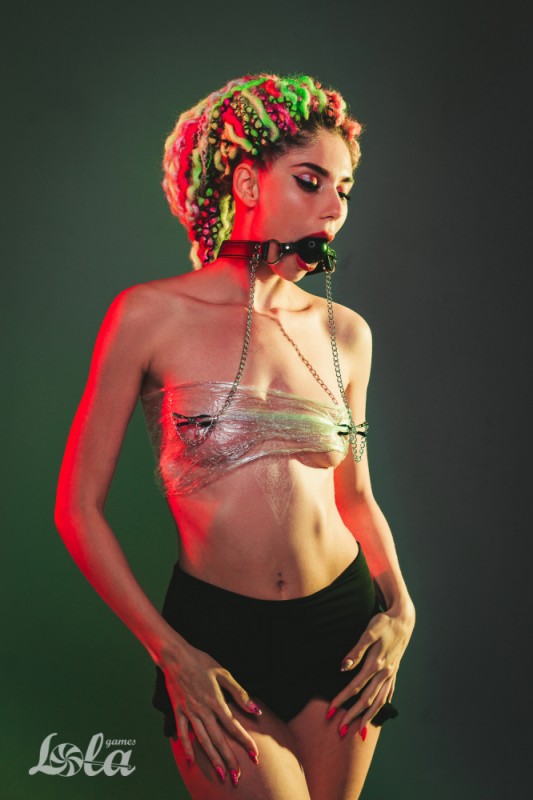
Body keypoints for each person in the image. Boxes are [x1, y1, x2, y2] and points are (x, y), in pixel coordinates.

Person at [55, 73, 415, 799]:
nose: (333, 208)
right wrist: (170, 652)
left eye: (343, 190)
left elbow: (354, 496)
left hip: (343, 629)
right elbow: (77, 510)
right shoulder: (148, 317)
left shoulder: (346, 333)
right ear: (247, 182)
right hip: (214, 638)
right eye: (310, 181)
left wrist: (401, 612)